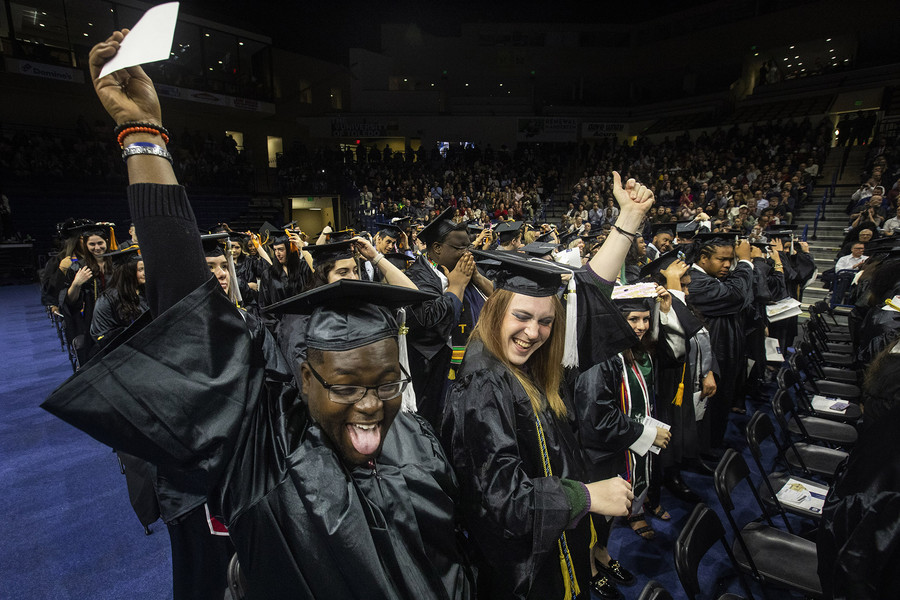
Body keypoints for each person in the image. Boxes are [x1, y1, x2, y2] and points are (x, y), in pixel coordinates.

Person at [43, 30, 475, 600]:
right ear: (302, 377)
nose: (371, 404)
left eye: (385, 382)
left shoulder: (419, 438)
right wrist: (143, 136)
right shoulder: (264, 450)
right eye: (345, 386)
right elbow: (187, 303)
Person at [443, 171, 652, 600]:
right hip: (523, 567)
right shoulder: (483, 383)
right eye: (521, 316)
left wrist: (628, 218)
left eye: (544, 321)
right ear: (497, 310)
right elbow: (502, 499)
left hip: (550, 541)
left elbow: (589, 298)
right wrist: (586, 496)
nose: (533, 332)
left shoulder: (529, 362)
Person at [405, 206, 493, 430]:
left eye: (468, 246)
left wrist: (476, 279)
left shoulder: (466, 271)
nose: (467, 253)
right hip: (436, 376)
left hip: (475, 368)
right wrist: (456, 287)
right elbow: (429, 325)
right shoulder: (416, 277)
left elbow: (499, 301)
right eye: (458, 247)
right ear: (436, 248)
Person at [686, 232, 755, 451]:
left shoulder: (713, 279)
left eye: (731, 260)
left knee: (719, 407)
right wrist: (744, 263)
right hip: (710, 359)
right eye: (722, 259)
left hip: (725, 355)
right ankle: (701, 452)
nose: (727, 265)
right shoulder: (695, 282)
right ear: (703, 258)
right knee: (707, 411)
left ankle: (711, 446)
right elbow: (737, 296)